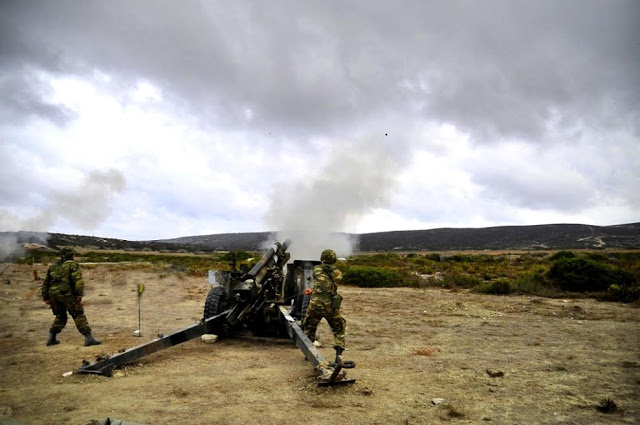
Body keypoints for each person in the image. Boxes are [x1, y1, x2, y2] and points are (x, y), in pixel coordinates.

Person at [42, 248, 101, 346]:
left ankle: (51, 338)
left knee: (60, 316)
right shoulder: (73, 265)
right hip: (67, 294)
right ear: (71, 255)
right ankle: (88, 338)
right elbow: (78, 281)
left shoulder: (53, 266)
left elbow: (46, 283)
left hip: (53, 295)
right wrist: (79, 294)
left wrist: (46, 297)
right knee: (78, 314)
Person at [302, 249, 347, 376]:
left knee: (309, 327)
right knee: (339, 330)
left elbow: (320, 281)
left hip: (315, 304)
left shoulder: (316, 269)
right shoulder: (338, 273)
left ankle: (308, 354)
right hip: (330, 307)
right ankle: (338, 356)